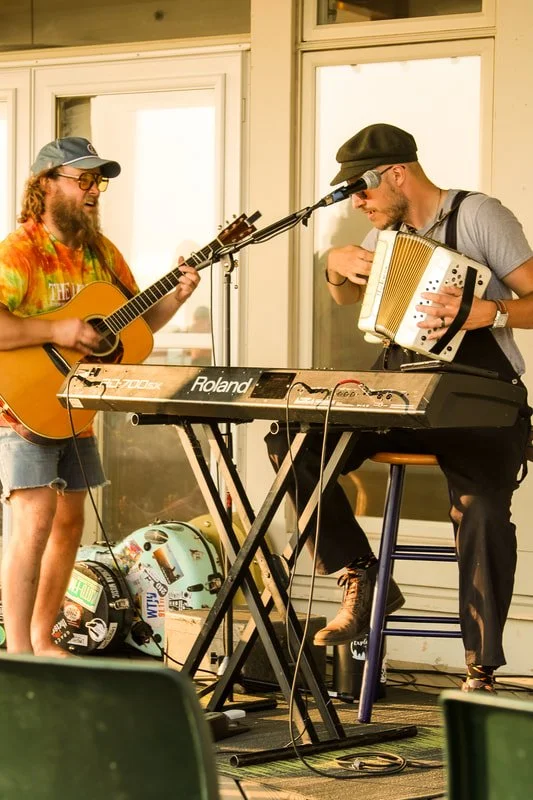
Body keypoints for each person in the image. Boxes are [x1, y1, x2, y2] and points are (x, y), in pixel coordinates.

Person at [266, 123, 533, 692]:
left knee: (482, 509)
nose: (357, 203)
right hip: (402, 388)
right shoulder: (389, 233)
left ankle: (480, 668)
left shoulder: (478, 215)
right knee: (292, 439)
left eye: (361, 190)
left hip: (478, 392)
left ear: (396, 174)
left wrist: (495, 312)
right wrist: (334, 263)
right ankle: (363, 575)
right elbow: (344, 294)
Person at [0, 136, 200, 656]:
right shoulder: (20, 250)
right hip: (18, 409)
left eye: (98, 182)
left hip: (75, 410)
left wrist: (176, 296)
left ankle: (45, 639)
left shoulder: (103, 254)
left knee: (70, 522)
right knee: (35, 519)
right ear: (46, 184)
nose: (93, 192)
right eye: (82, 180)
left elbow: (137, 324)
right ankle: (18, 652)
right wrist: (58, 331)